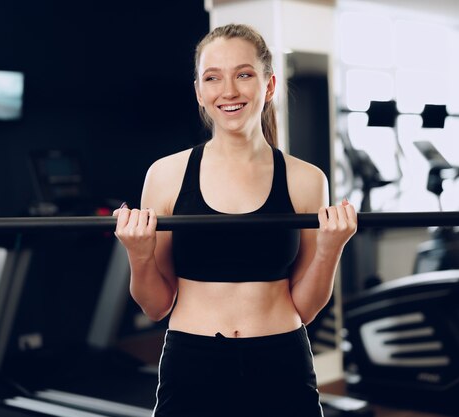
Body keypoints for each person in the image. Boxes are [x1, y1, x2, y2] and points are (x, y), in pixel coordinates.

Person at [113, 23, 357, 417]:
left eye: (243, 74)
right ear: (199, 92)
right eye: (213, 78)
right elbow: (155, 307)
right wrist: (138, 254)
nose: (228, 91)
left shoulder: (306, 179)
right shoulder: (166, 174)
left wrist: (331, 249)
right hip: (192, 361)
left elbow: (307, 308)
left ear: (269, 85)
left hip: (281, 359)